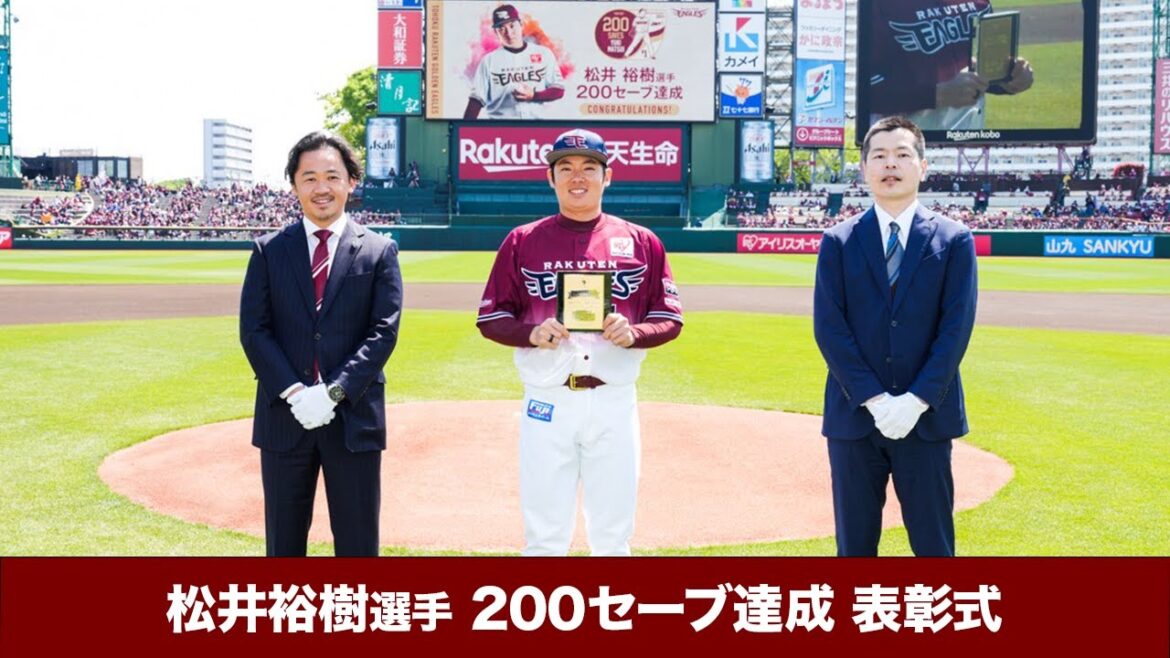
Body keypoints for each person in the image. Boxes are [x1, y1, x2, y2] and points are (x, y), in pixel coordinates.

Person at [475, 129, 683, 556]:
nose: (577, 177)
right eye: (565, 167)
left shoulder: (642, 242)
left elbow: (670, 317)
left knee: (613, 536)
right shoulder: (522, 241)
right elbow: (491, 317)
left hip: (613, 400)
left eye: (590, 167)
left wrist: (635, 333)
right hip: (548, 400)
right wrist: (530, 332)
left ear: (608, 177)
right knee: (544, 536)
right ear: (550, 178)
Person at [812, 115, 978, 557]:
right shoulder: (838, 241)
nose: (891, 164)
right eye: (880, 155)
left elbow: (955, 329)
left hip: (927, 419)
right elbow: (829, 329)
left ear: (922, 166)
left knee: (934, 547)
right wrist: (876, 400)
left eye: (903, 154)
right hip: (855, 418)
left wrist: (916, 400)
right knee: (854, 548)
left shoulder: (954, 240)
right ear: (864, 168)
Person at [239, 130, 404, 557]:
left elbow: (383, 332)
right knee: (283, 547)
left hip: (353, 419)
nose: (321, 188)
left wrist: (333, 392)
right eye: (308, 177)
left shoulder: (379, 251)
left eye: (332, 176)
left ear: (352, 181)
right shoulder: (268, 251)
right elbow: (254, 330)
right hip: (284, 418)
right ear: (294, 185)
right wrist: (295, 392)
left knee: (358, 546)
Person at [868, 1, 1034, 131]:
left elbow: (972, 69)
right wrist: (937, 95)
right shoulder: (877, 5)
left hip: (969, 142)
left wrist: (1007, 77)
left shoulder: (978, 3)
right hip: (901, 147)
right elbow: (864, 91)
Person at [463, 4, 565, 120]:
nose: (509, 33)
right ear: (496, 32)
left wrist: (534, 95)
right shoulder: (489, 61)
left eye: (512, 26)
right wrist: (463, 128)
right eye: (502, 29)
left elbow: (559, 90)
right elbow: (476, 100)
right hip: (501, 127)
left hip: (538, 125)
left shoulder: (544, 53)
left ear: (521, 25)